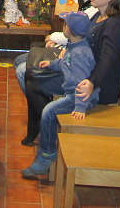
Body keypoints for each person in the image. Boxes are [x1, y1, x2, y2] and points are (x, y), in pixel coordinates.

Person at [21, 10, 99, 178]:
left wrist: (80, 107)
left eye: (65, 24)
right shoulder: (74, 45)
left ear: (68, 29)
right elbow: (65, 63)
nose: (64, 26)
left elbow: (82, 84)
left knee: (49, 112)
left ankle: (46, 155)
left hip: (79, 97)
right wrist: (52, 64)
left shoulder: (80, 53)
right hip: (70, 89)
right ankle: (44, 130)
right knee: (36, 84)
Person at [13, 0, 98, 95]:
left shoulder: (92, 11)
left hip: (68, 55)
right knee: (19, 60)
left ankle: (43, 103)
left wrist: (53, 37)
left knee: (21, 69)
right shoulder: (84, 4)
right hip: (66, 49)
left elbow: (73, 35)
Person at [75, 0, 120, 106]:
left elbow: (107, 60)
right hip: (84, 70)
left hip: (99, 87)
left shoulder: (115, 25)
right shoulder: (98, 15)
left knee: (35, 84)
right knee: (33, 77)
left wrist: (92, 82)